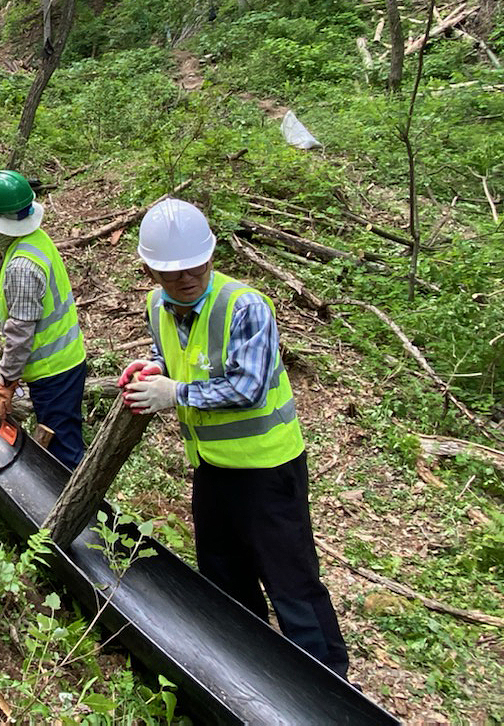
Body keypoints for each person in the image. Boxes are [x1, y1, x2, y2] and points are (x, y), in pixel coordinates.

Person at [118, 199, 349, 679]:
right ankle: (251, 676)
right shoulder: (156, 307)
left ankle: (330, 686)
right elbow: (180, 361)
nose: (187, 278)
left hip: (266, 470)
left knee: (292, 584)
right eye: (172, 271)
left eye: (196, 266)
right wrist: (154, 371)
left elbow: (248, 387)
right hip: (211, 467)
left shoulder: (245, 307)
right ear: (149, 271)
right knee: (224, 578)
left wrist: (173, 393)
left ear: (211, 255)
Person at [0, 170, 87, 470]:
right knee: (64, 436)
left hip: (54, 370)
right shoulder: (35, 239)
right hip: (65, 361)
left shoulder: (22, 265)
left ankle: (82, 513)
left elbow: (21, 332)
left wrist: (7, 382)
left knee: (64, 450)